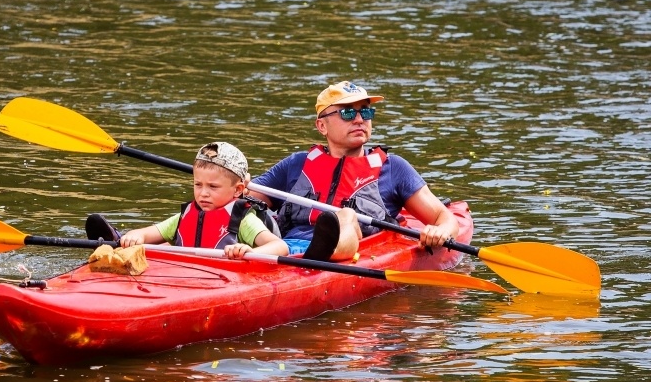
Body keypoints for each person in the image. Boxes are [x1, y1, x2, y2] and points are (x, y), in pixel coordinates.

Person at [247, 80, 459, 261]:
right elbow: (245, 196)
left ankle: (327, 251)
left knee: (347, 216)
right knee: (242, 211)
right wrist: (236, 185)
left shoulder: (393, 168)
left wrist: (440, 231)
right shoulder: (297, 164)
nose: (359, 119)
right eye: (347, 113)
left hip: (347, 254)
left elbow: (444, 217)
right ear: (322, 126)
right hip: (285, 248)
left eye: (366, 111)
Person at [89, 142, 289, 260]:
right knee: (141, 244)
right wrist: (135, 236)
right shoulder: (185, 216)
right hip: (184, 276)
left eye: (213, 187)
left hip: (226, 281)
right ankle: (117, 242)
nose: (203, 194)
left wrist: (248, 251)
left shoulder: (242, 220)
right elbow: (148, 233)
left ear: (237, 190)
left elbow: (280, 247)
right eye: (198, 185)